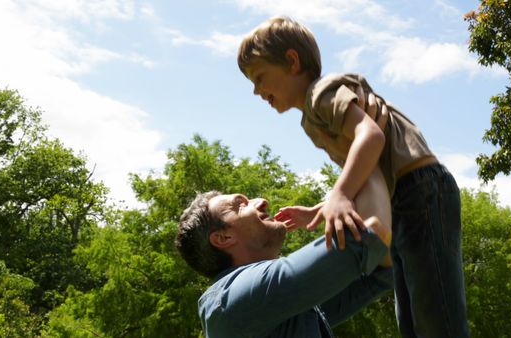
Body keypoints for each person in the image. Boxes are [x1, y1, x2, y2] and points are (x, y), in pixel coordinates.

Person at [237, 16, 468, 338]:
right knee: (413, 320)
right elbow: (361, 171)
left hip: (421, 189)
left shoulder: (322, 93)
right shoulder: (310, 121)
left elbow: (371, 137)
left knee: (436, 313)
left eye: (260, 77)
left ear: (291, 61)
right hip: (399, 199)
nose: (256, 91)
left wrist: (340, 194)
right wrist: (324, 207)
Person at [176, 191, 393, 337]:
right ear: (223, 238)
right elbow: (374, 234)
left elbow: (381, 268)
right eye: (240, 205)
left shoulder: (275, 306)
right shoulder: (235, 301)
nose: (261, 201)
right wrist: (369, 142)